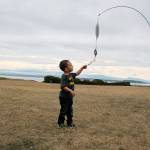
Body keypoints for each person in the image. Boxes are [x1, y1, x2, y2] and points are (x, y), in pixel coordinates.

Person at [57, 60, 87, 128]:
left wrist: (82, 68)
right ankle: (60, 123)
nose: (72, 66)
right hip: (64, 97)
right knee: (64, 110)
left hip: (69, 97)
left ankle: (69, 123)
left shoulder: (71, 75)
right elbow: (63, 86)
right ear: (66, 68)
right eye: (70, 65)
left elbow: (77, 73)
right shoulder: (64, 76)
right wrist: (70, 91)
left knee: (70, 111)